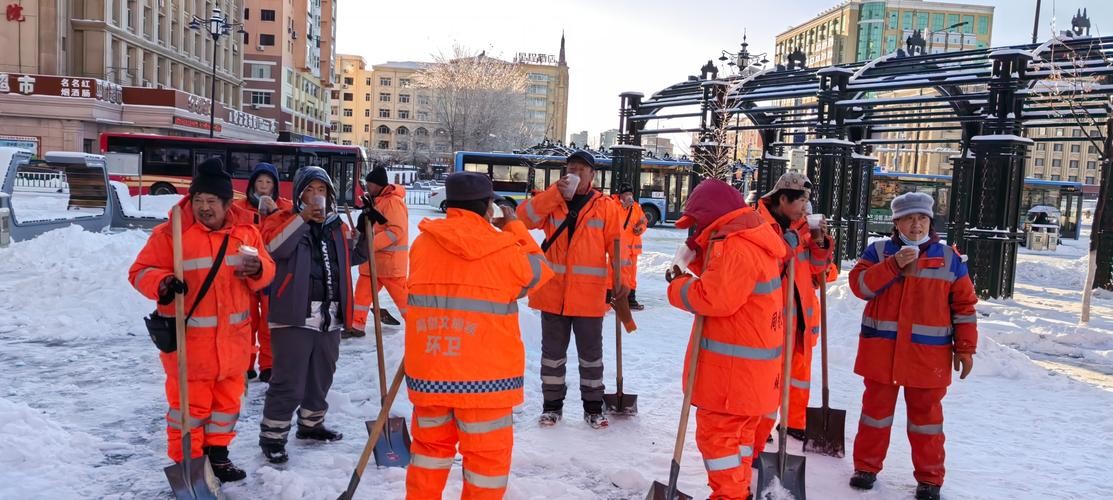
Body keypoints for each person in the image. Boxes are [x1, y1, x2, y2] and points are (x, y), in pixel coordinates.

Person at [404, 172, 553, 499]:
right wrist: (514, 226)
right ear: (488, 207)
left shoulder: (422, 245)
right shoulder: (503, 249)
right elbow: (540, 272)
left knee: (428, 454)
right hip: (486, 383)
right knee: (486, 465)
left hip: (431, 374)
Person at [129, 158, 275, 482]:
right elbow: (139, 272)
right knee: (189, 412)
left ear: (227, 203)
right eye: (198, 200)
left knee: (226, 407)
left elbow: (267, 272)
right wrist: (162, 283)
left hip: (234, 346)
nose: (204, 208)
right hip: (189, 348)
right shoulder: (172, 234)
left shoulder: (246, 234)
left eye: (211, 201)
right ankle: (191, 467)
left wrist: (260, 270)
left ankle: (218, 458)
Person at [847, 192, 978, 500]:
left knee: (927, 422)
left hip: (927, 358)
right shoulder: (878, 252)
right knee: (875, 415)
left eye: (922, 218)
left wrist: (965, 347)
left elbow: (964, 306)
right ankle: (866, 468)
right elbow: (860, 287)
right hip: (881, 354)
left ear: (931, 222)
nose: (916, 225)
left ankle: (930, 479)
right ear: (896, 223)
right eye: (908, 219)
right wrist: (893, 265)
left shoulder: (950, 259)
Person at [663, 179, 786, 499]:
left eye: (697, 223)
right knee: (739, 442)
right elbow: (727, 279)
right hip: (749, 379)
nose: (695, 230)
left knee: (719, 441)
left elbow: (714, 297)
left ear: (712, 217)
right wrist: (700, 253)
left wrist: (677, 286)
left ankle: (729, 496)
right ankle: (738, 490)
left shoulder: (735, 246)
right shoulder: (748, 239)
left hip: (731, 380)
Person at [257, 166, 369, 464]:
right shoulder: (281, 219)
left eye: (322, 190)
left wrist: (363, 235)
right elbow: (274, 250)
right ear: (299, 194)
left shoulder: (336, 225)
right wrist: (302, 219)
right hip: (293, 313)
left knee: (321, 374)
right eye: (310, 190)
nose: (316, 195)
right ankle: (273, 436)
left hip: (329, 314)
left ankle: (311, 424)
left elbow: (351, 258)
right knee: (289, 379)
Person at [516, 150, 628, 429]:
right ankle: (551, 407)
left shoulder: (605, 206)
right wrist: (555, 194)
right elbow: (523, 219)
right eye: (571, 168)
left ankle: (593, 408)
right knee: (552, 357)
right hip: (553, 294)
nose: (575, 173)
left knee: (591, 358)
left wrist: (620, 281)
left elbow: (618, 247)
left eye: (581, 169)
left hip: (589, 296)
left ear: (592, 175)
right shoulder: (551, 200)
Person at [751, 172, 832, 454]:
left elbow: (820, 272)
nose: (805, 207)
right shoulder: (760, 225)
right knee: (767, 379)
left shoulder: (806, 228)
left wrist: (820, 242)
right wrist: (791, 242)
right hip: (771, 318)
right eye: (801, 201)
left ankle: (793, 422)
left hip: (801, 319)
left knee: (798, 374)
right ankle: (757, 433)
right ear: (783, 199)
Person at [233, 162, 293, 383]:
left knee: (270, 321)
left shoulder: (285, 207)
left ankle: (268, 364)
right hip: (246, 271)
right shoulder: (239, 207)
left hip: (272, 273)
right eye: (260, 181)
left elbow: (292, 229)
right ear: (252, 184)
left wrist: (275, 212)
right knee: (246, 320)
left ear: (275, 185)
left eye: (268, 182)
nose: (264, 186)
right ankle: (245, 364)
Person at [350, 165, 409, 336]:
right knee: (361, 297)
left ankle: (417, 325)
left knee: (403, 300)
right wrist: (359, 235)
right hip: (371, 263)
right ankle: (356, 326)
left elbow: (396, 231)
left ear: (377, 185)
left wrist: (370, 244)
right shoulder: (375, 202)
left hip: (390, 264)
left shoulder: (393, 202)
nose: (367, 187)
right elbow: (372, 227)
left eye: (369, 184)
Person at [612, 183, 648, 310]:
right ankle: (616, 298)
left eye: (630, 194)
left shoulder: (636, 207)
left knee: (632, 275)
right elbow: (613, 222)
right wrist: (623, 207)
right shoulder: (613, 205)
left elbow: (644, 221)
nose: (629, 196)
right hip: (620, 247)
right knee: (619, 273)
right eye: (626, 194)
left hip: (633, 247)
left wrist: (640, 228)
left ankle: (631, 299)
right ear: (620, 195)